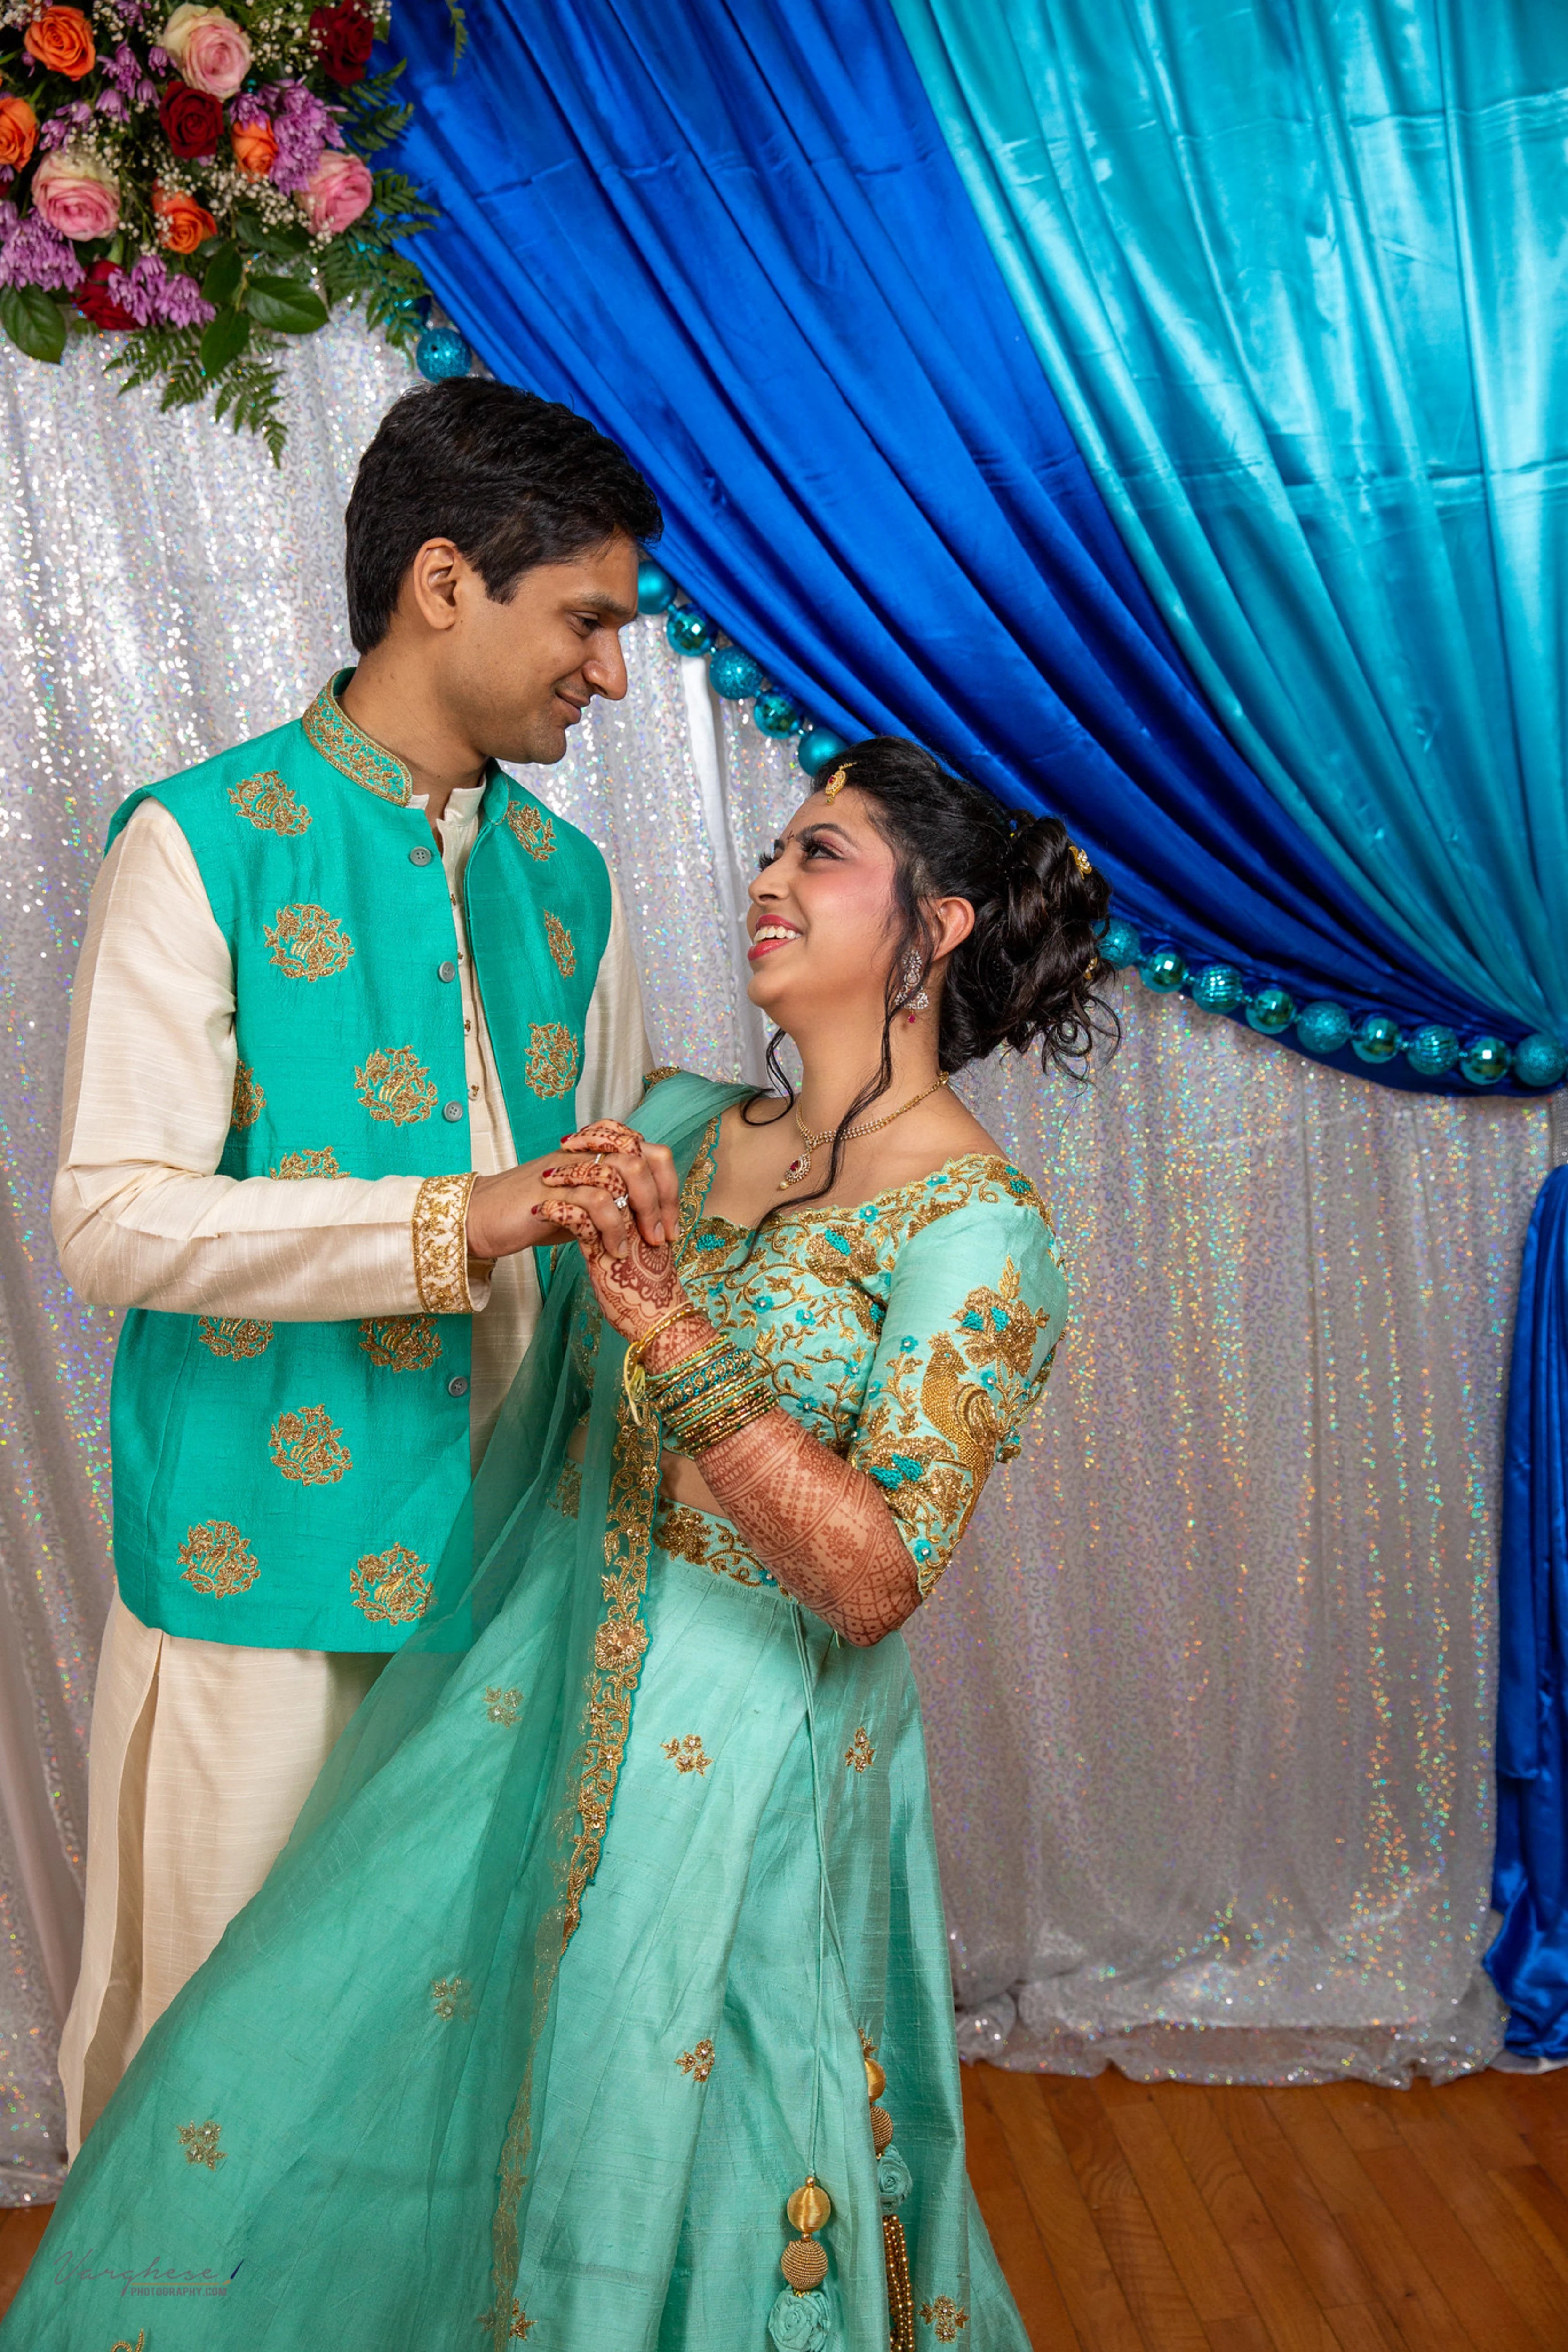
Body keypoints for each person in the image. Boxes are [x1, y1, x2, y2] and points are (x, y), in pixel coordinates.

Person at [5, 739, 1111, 2351]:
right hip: (513, 1698)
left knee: (679, 2158)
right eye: (772, 849)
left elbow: (876, 1576)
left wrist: (669, 1329)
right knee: (296, 2058)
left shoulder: (978, 1229)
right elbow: (517, 1363)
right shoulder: (669, 1124)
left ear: (932, 931)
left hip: (740, 1770)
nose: (766, 879)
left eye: (821, 855)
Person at [51, 376, 675, 2158]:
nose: (608, 675)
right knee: (213, 2090)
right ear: (442, 583)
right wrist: (450, 1220)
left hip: (502, 1588)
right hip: (266, 1578)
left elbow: (605, 1213)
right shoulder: (203, 844)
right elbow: (112, 1217)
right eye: (587, 623)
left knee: (447, 2092)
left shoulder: (574, 882)